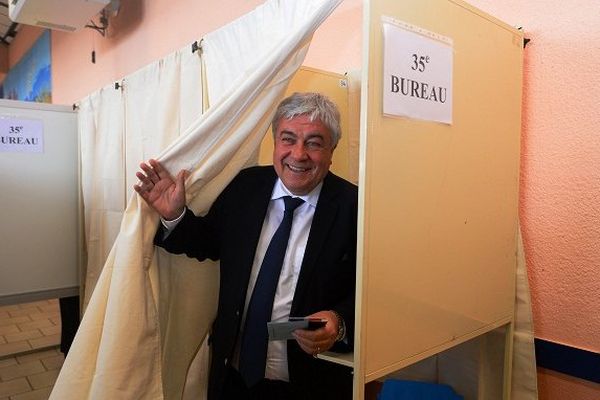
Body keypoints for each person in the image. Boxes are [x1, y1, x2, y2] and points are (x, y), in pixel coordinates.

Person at [134, 92, 357, 400]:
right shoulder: (244, 187)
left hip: (311, 381)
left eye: (314, 143)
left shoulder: (354, 208)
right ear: (275, 142)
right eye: (288, 139)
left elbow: (370, 293)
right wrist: (174, 216)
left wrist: (340, 322)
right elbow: (208, 243)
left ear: (332, 150)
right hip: (233, 375)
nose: (298, 153)